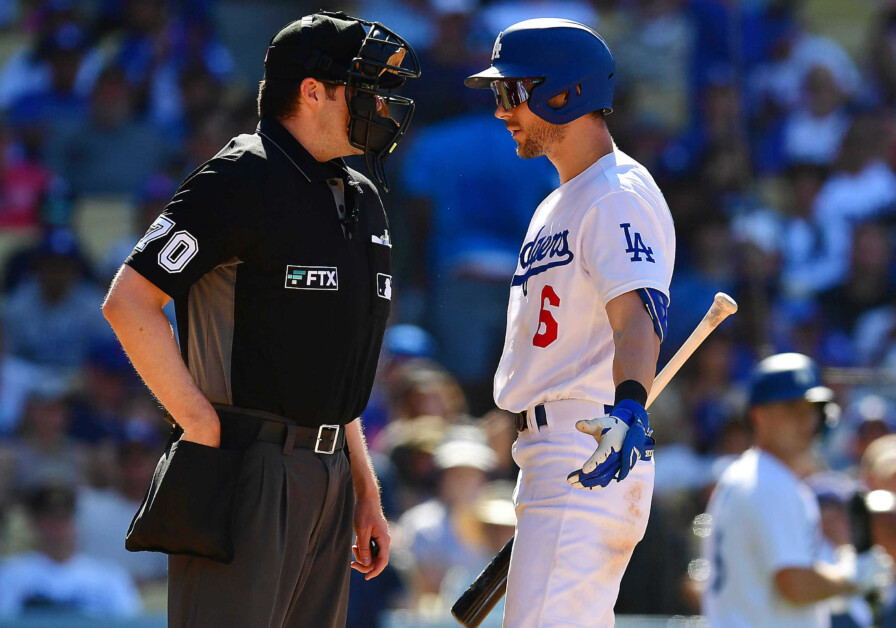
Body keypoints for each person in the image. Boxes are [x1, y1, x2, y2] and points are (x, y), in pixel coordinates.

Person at [101, 10, 420, 627]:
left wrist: (362, 484)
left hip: (328, 476)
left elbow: (335, 357)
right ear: (312, 92)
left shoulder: (361, 194)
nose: (381, 105)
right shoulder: (243, 174)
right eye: (365, 87)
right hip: (244, 466)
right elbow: (129, 301)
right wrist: (200, 427)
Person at [465, 19, 675, 627]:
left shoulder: (617, 192)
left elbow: (637, 317)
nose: (503, 112)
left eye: (512, 93)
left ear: (564, 94)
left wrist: (631, 404)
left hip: (591, 441)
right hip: (551, 455)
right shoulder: (560, 200)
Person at [702, 353, 895, 628]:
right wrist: (852, 578)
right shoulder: (770, 482)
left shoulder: (745, 475)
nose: (805, 421)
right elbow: (795, 584)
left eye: (811, 409)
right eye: (790, 408)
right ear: (758, 415)